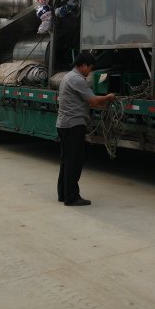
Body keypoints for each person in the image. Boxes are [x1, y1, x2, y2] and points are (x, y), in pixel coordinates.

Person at [56, 52, 115, 206]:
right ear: (83, 65)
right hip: (73, 124)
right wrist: (108, 97)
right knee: (74, 161)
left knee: (66, 160)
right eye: (90, 68)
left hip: (64, 124)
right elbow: (93, 100)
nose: (90, 71)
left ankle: (63, 194)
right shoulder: (77, 79)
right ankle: (72, 197)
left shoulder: (68, 77)